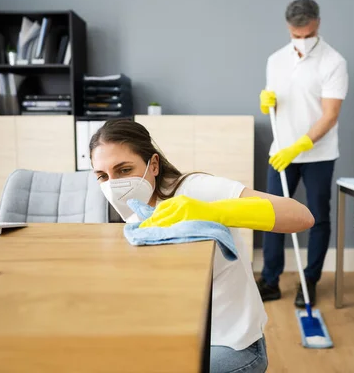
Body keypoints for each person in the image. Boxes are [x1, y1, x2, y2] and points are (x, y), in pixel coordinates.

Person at [89, 119, 314, 373]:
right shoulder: (135, 214)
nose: (113, 184)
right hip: (181, 336)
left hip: (230, 344)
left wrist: (209, 211)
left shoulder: (195, 190)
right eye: (102, 176)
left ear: (153, 165)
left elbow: (301, 216)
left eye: (124, 170)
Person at [257, 0, 349, 308]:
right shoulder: (275, 60)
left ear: (317, 23)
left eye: (306, 34)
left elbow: (330, 115)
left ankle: (309, 281)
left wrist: (301, 145)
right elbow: (278, 103)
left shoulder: (333, 62)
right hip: (280, 152)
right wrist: (267, 102)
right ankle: (269, 281)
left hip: (318, 155)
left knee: (318, 218)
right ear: (288, 28)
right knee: (272, 216)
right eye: (296, 35)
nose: (301, 40)